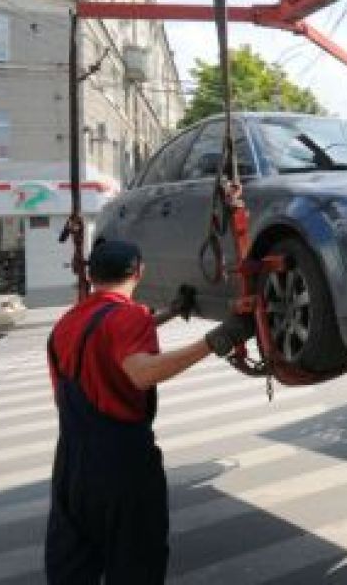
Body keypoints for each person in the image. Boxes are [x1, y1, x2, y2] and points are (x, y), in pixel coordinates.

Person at [45, 239, 255, 584]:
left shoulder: (66, 324)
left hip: (70, 465)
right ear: (139, 272)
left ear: (91, 274)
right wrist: (218, 339)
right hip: (121, 466)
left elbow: (106, 342)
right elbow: (141, 372)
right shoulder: (130, 315)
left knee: (73, 567)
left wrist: (169, 314)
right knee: (136, 564)